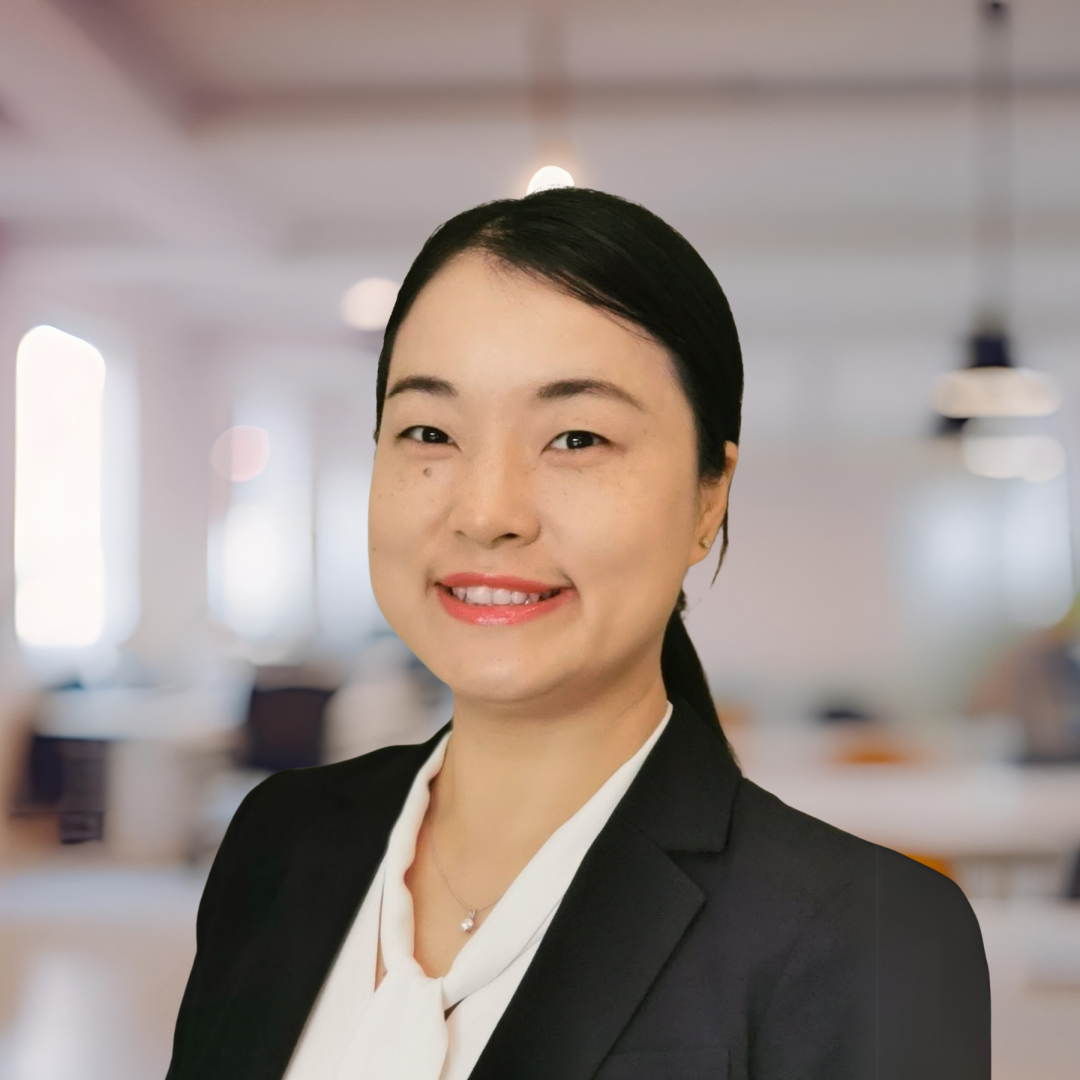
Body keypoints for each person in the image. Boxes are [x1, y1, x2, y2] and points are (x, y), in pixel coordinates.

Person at [166, 188, 990, 1080]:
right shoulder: (278, 844)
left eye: (577, 439)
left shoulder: (868, 936)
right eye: (429, 430)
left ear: (709, 495)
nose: (487, 513)